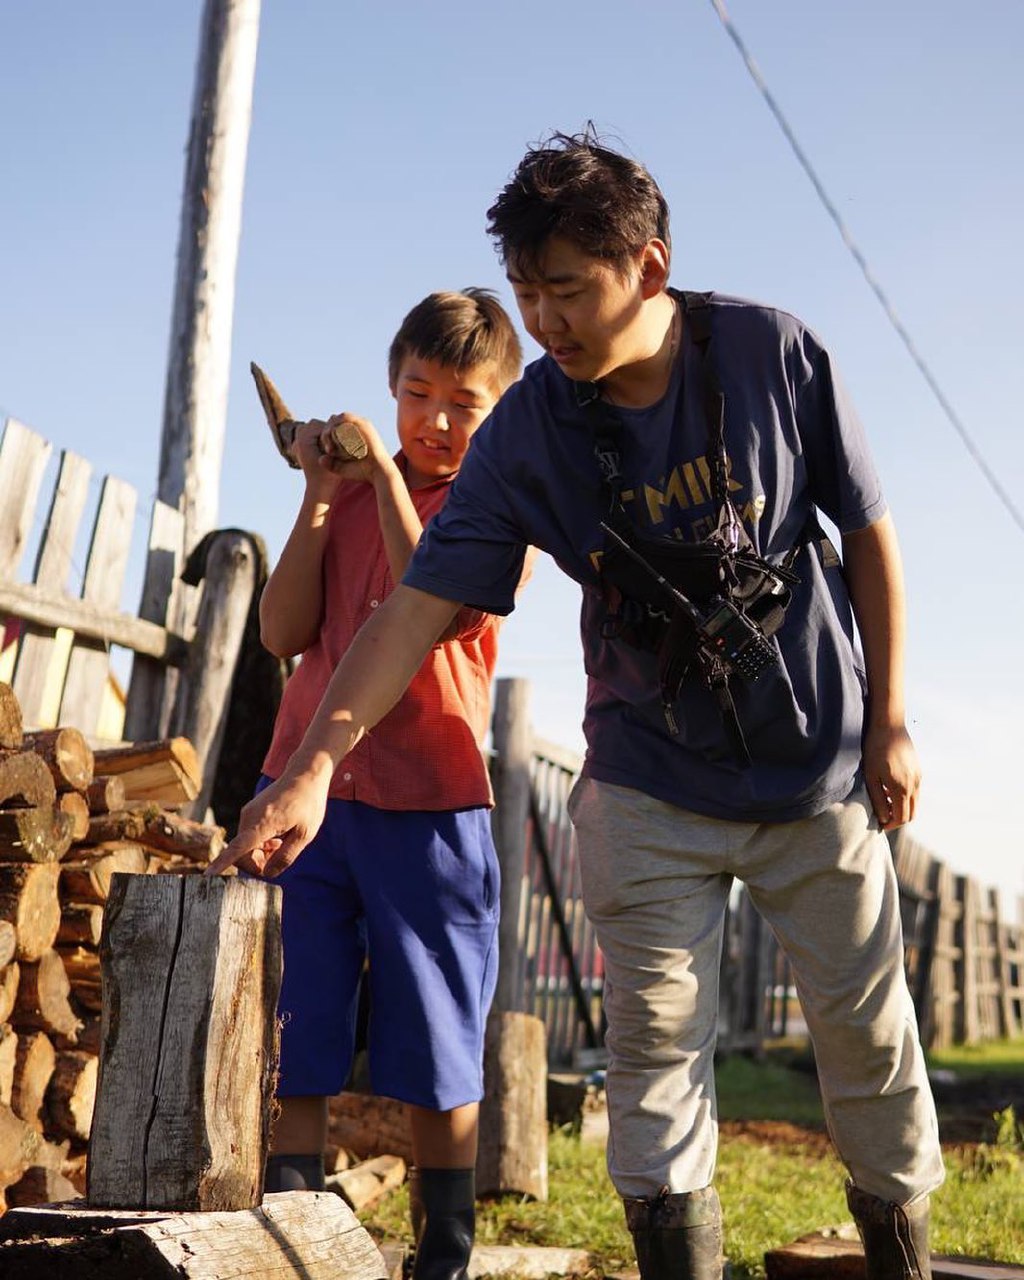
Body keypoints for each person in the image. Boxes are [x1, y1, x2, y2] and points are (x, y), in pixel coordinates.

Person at [210, 134, 944, 1280]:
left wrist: (890, 716)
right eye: (526, 291)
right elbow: (409, 614)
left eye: (567, 289)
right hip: (644, 778)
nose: (543, 319)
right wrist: (308, 766)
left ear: (647, 268)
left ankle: (901, 1249)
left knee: (866, 1043)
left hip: (815, 769)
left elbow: (871, 536)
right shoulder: (525, 437)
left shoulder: (770, 352)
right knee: (654, 1052)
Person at [251, 288, 523, 1280]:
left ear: (504, 408)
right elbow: (282, 632)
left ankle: (440, 1254)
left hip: (433, 806)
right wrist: (321, 492)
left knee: (438, 1037)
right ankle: (289, 1235)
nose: (436, 421)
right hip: (303, 792)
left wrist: (385, 478)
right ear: (390, 384)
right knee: (294, 1021)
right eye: (417, 393)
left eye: (465, 403)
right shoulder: (350, 491)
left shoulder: (502, 507)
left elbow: (435, 604)